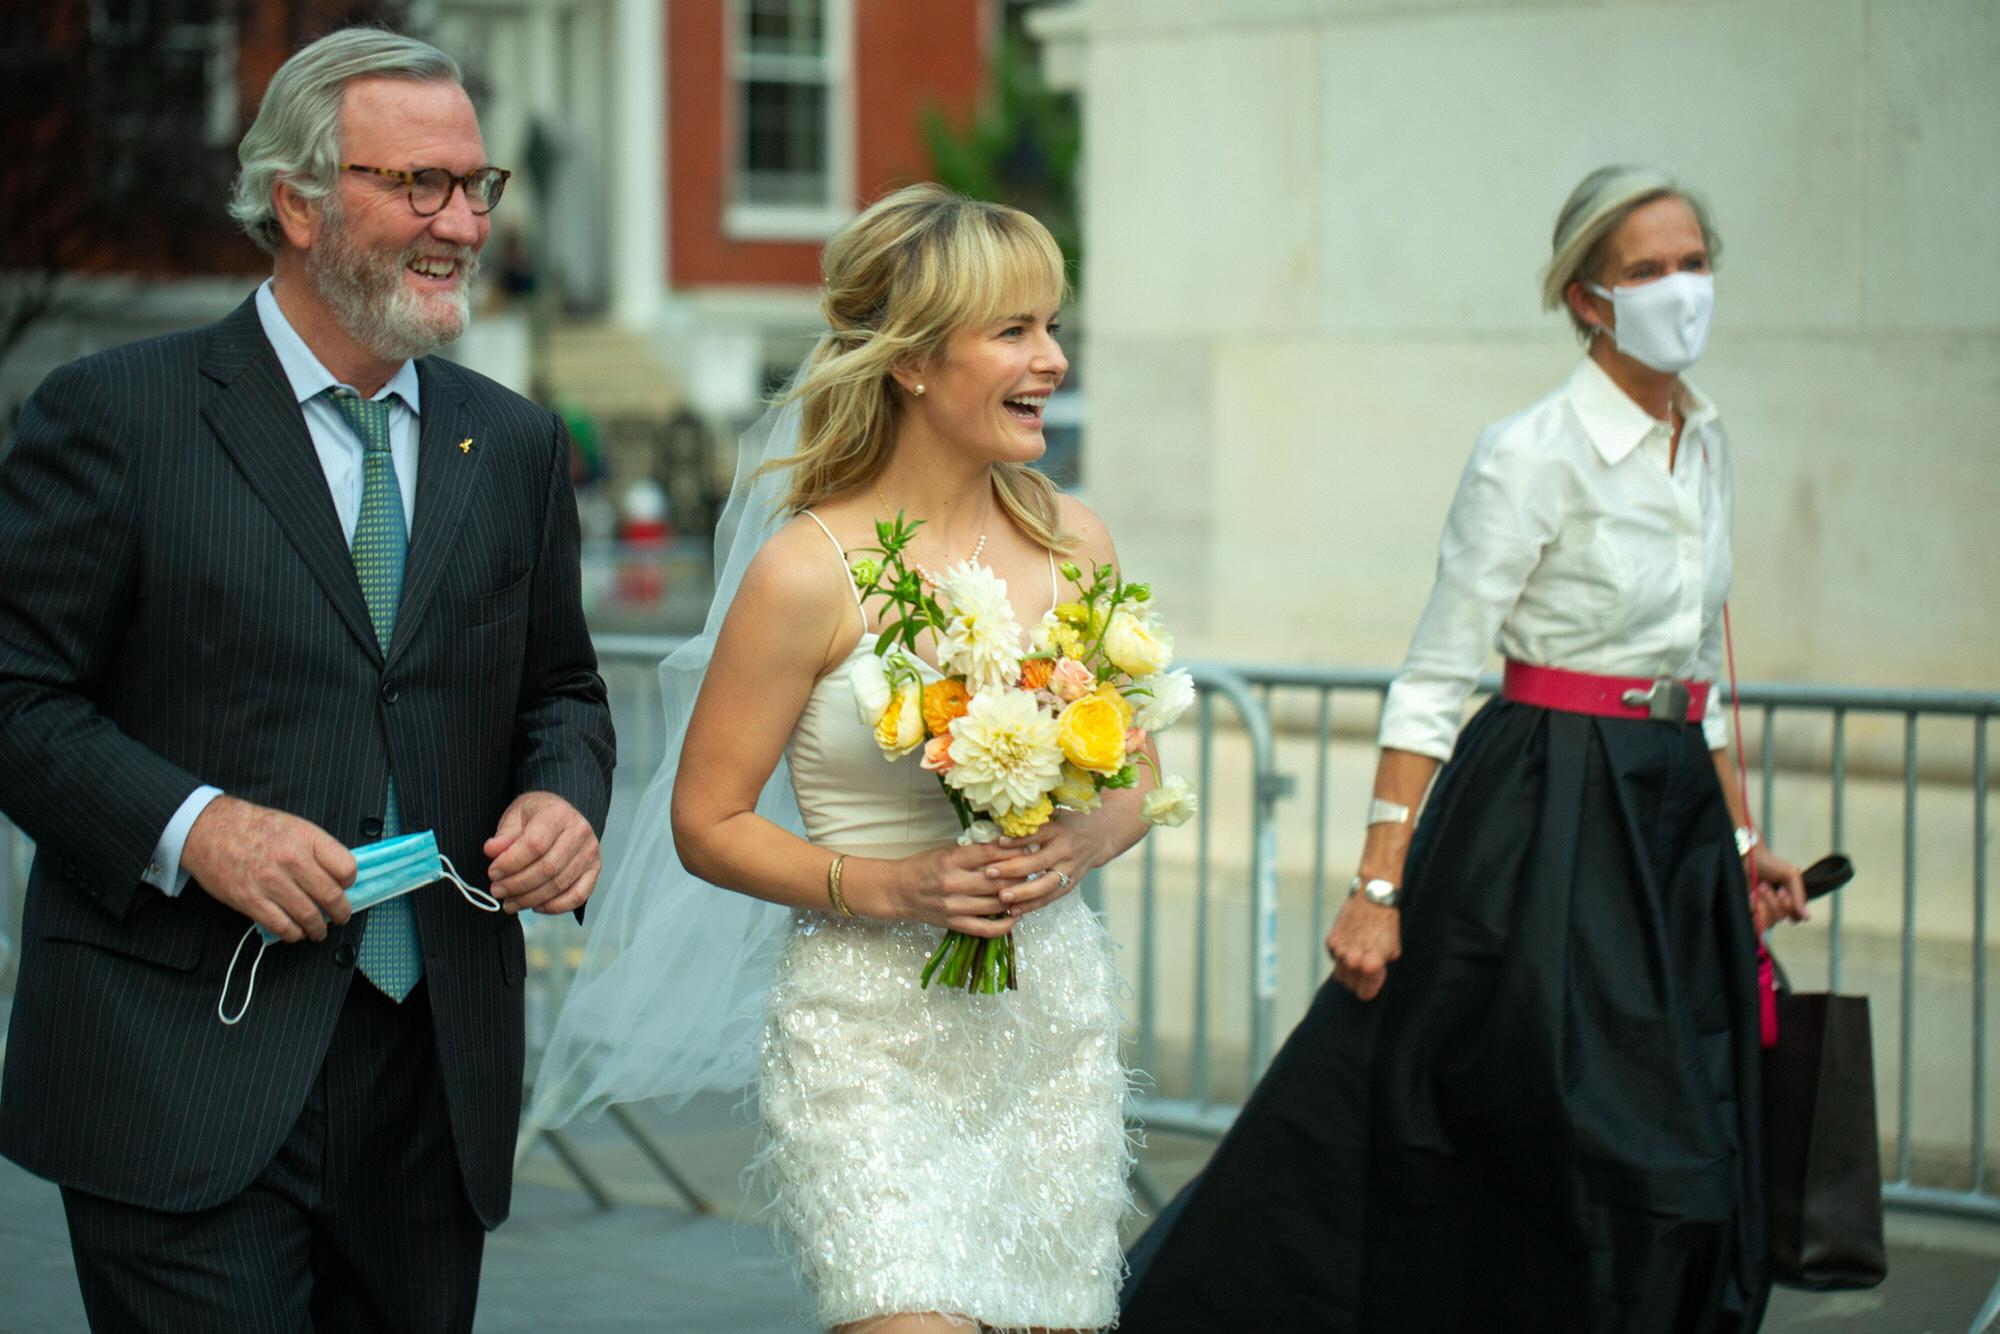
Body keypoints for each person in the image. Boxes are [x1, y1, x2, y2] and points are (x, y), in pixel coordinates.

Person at [1118, 166, 1810, 1333]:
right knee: (1557, 1129)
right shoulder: (1529, 450)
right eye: (1646, 270)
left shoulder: (1710, 440)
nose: (1679, 288)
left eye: (1692, 262)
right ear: (1587, 297)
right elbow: (1436, 673)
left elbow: (1698, 672)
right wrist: (1375, 886)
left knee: (1695, 1134)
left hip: (1668, 817)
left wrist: (1739, 840)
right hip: (1546, 807)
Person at [0, 28, 615, 1331]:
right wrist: (195, 826)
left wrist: (565, 798)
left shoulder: (509, 443)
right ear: (295, 200)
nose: (461, 222)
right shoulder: (113, 414)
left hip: (432, 1078)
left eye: (477, 185)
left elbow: (561, 691)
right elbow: (15, 695)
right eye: (420, 186)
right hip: (181, 1074)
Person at [532, 183, 1147, 1333]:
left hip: (1046, 1028)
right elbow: (704, 821)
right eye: (1013, 330)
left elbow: (1137, 776)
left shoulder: (1075, 540)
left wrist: (1078, 838)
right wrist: (890, 883)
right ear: (912, 362)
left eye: (1053, 325)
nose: (1051, 359)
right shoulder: (806, 571)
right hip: (866, 1035)